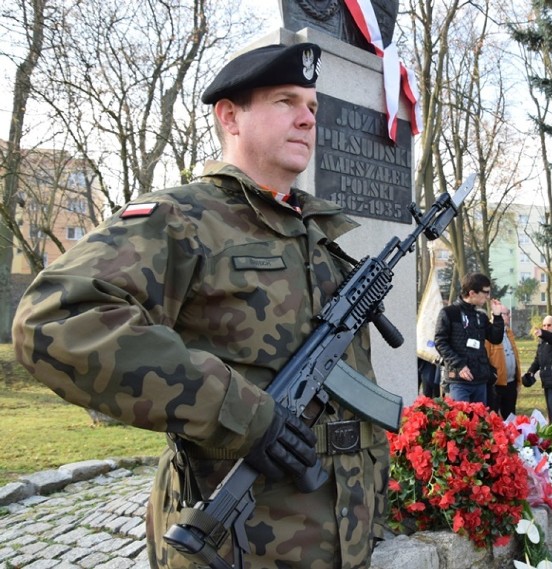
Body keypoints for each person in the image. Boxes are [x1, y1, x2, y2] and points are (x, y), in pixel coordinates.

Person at [12, 43, 389, 569]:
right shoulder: (180, 218)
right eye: (286, 101)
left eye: (313, 107)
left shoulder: (318, 238)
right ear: (230, 116)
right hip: (239, 547)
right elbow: (56, 318)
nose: (307, 119)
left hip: (343, 540)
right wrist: (241, 412)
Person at [434, 272, 505, 405]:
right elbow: (440, 342)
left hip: (480, 379)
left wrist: (497, 317)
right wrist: (459, 365)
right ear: (472, 293)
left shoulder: (480, 316)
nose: (488, 297)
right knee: (461, 422)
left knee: (479, 423)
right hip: (459, 380)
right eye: (486, 292)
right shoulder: (449, 313)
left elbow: (496, 339)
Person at [524, 315, 552, 422]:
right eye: (544, 325)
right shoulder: (542, 341)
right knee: (551, 410)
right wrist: (531, 371)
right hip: (546, 380)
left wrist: (542, 333)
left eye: (549, 325)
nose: (546, 327)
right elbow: (538, 359)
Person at [486, 308, 522, 418]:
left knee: (511, 417)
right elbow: (486, 356)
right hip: (496, 384)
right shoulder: (489, 333)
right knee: (493, 417)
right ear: (498, 315)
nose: (509, 317)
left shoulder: (509, 332)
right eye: (507, 314)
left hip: (511, 383)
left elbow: (515, 355)